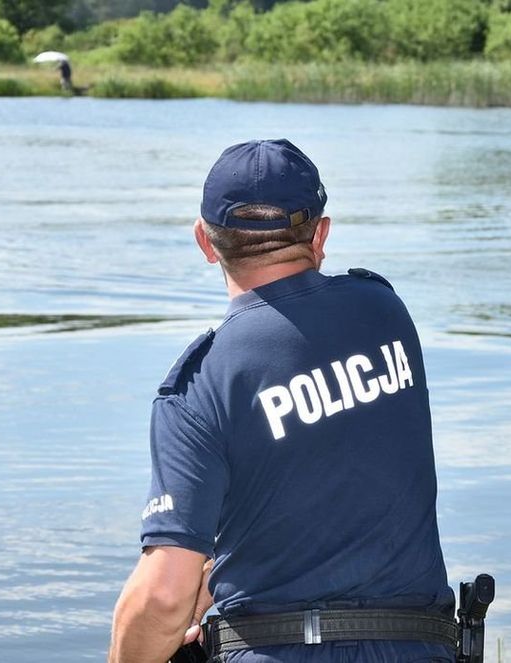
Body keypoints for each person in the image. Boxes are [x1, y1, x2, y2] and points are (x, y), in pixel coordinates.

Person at [108, 139, 457, 663]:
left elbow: (161, 596)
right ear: (320, 235)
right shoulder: (385, 312)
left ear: (205, 242)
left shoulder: (201, 384)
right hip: (418, 647)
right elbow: (316, 488)